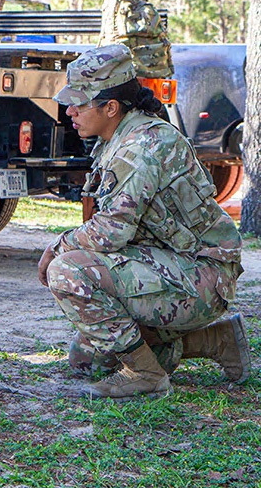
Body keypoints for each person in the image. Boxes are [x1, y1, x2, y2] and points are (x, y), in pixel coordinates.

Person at [38, 43, 249, 399]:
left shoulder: (140, 147)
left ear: (110, 107)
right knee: (88, 358)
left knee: (67, 271)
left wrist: (55, 248)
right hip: (179, 268)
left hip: (203, 276)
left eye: (79, 102)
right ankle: (218, 340)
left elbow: (111, 231)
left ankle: (145, 374)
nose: (69, 110)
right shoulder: (119, 138)